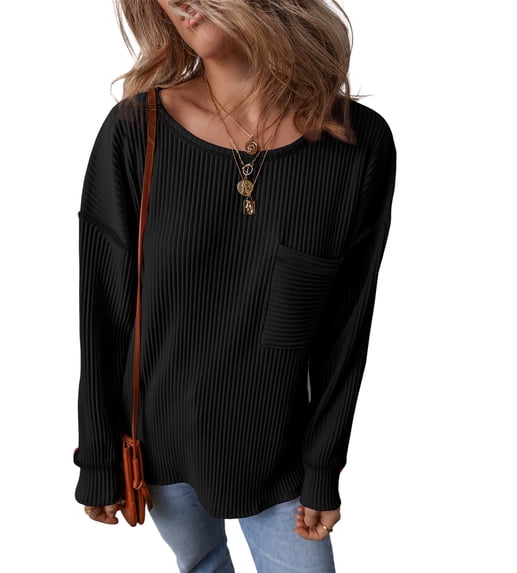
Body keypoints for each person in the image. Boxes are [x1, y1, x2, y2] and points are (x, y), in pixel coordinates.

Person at [74, 0, 396, 571]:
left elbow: (348, 324)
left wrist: (323, 466)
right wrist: (99, 454)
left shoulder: (356, 142)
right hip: (162, 445)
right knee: (201, 564)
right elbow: (104, 309)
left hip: (282, 456)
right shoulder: (136, 130)